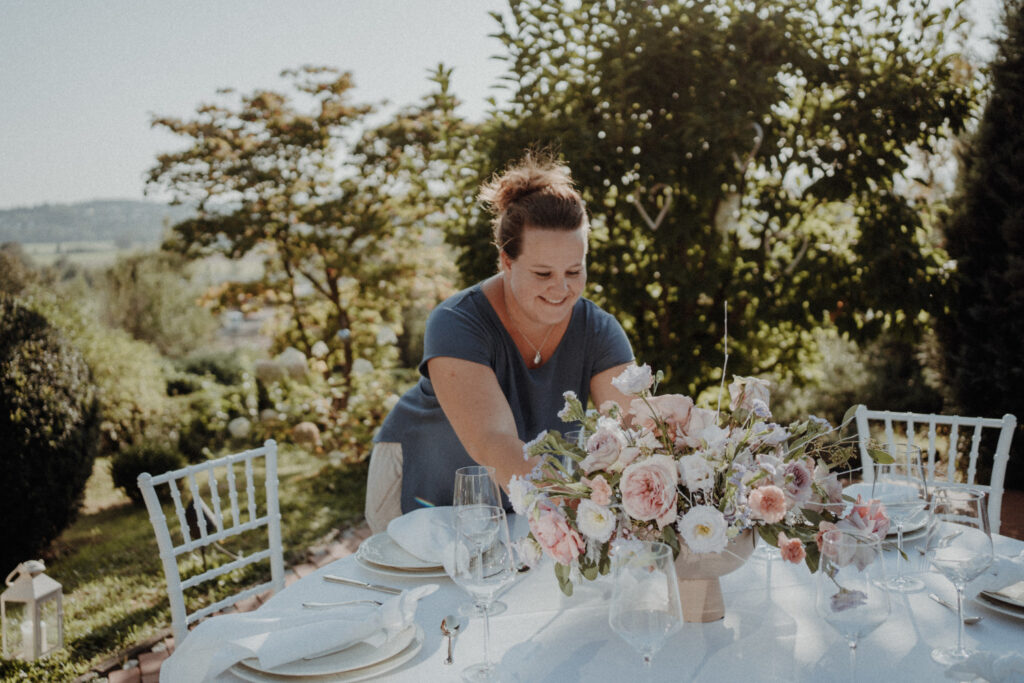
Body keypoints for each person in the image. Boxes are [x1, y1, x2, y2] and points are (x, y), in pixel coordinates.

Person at [364, 152, 636, 533]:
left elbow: (631, 425)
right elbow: (493, 440)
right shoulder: (456, 322)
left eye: (574, 271)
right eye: (543, 273)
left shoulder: (598, 330)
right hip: (421, 476)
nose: (562, 288)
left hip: (516, 498)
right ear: (506, 261)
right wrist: (572, 508)